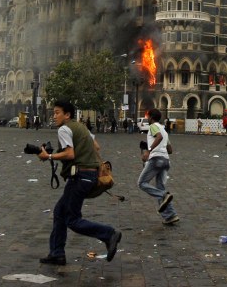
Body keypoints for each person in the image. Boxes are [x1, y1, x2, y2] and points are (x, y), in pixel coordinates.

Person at [36, 100, 121, 266]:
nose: (54, 116)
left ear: (67, 115)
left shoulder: (64, 129)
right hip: (90, 175)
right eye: (54, 113)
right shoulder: (81, 127)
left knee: (72, 219)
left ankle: (109, 233)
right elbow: (96, 146)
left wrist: (49, 156)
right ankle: (57, 253)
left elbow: (70, 154)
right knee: (60, 211)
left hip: (79, 177)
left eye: (57, 112)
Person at [138, 109, 179, 225]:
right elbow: (170, 150)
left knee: (141, 183)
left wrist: (148, 150)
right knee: (160, 187)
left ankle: (164, 195)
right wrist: (151, 145)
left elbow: (159, 137)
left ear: (151, 117)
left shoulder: (153, 127)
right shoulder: (165, 130)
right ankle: (171, 216)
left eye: (147, 116)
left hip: (156, 160)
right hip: (166, 161)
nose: (147, 118)